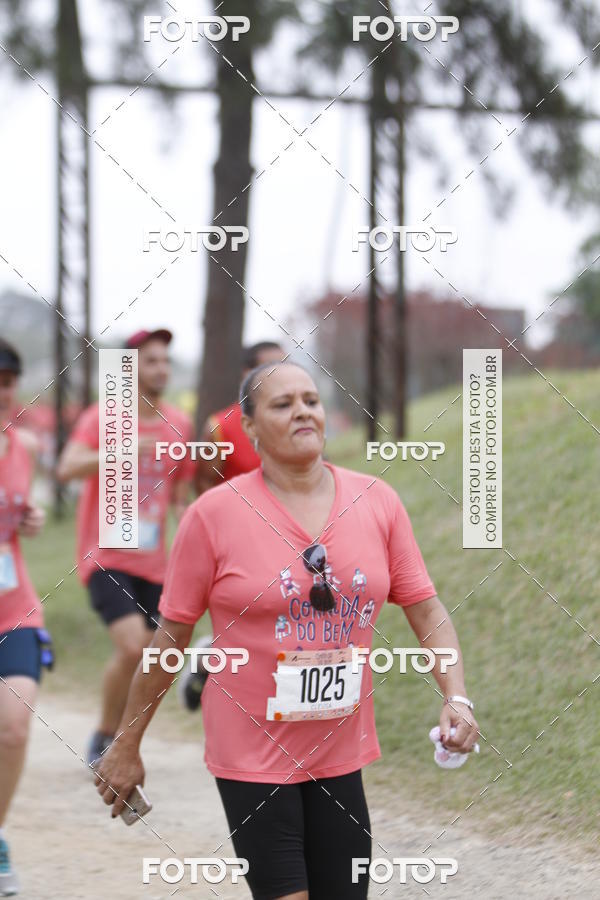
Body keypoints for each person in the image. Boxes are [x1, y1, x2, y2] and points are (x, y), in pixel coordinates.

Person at [94, 361, 479, 900]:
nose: (302, 410)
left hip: (339, 749)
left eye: (310, 399)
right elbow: (169, 641)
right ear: (249, 427)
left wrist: (457, 697)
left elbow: (427, 609)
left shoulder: (377, 502)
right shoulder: (213, 516)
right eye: (281, 403)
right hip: (250, 753)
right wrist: (126, 742)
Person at [57, 329, 193, 766]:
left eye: (165, 361)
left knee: (156, 655)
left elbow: (181, 495)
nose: (161, 369)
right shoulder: (103, 417)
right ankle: (103, 735)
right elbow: (67, 467)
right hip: (108, 556)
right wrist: (123, 449)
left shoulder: (179, 424)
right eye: (150, 361)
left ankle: (122, 741)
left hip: (157, 563)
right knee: (134, 647)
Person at [180, 341, 286, 713]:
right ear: (248, 377)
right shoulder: (219, 427)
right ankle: (218, 666)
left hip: (290, 539)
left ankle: (213, 655)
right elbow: (203, 485)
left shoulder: (298, 425)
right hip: (238, 544)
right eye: (270, 369)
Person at [0, 340, 47, 897]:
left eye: (7, 382)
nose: (1, 393)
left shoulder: (23, 447)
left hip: (15, 607)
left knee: (13, 724)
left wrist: (28, 519)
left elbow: (16, 519)